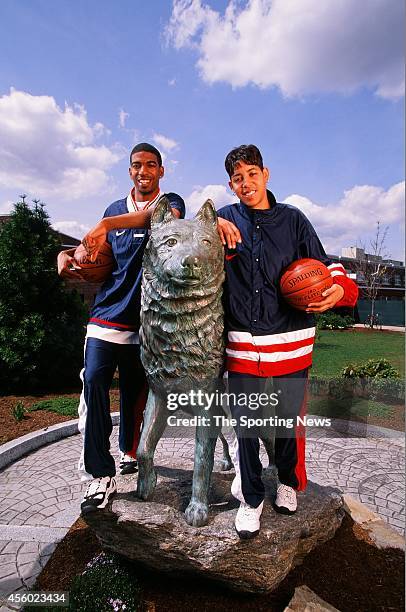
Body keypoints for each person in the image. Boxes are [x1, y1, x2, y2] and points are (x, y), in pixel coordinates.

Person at [216, 144, 358, 539]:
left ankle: (284, 482)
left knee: (285, 423)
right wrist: (209, 224)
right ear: (231, 184)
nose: (246, 183)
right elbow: (189, 239)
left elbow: (330, 267)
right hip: (243, 342)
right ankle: (251, 498)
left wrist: (340, 290)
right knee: (246, 425)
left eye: (252, 174)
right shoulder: (224, 219)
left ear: (266, 174)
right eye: (238, 179)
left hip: (292, 341)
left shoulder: (294, 220)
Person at [57, 143, 185, 513]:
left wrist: (107, 225)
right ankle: (99, 475)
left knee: (135, 394)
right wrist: (68, 258)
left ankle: (130, 450)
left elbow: (160, 218)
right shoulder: (112, 211)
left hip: (147, 322)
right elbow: (97, 256)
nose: (142, 171)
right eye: (136, 166)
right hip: (106, 316)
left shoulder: (170, 202)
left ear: (161, 170)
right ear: (129, 171)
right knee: (94, 380)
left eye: (150, 165)